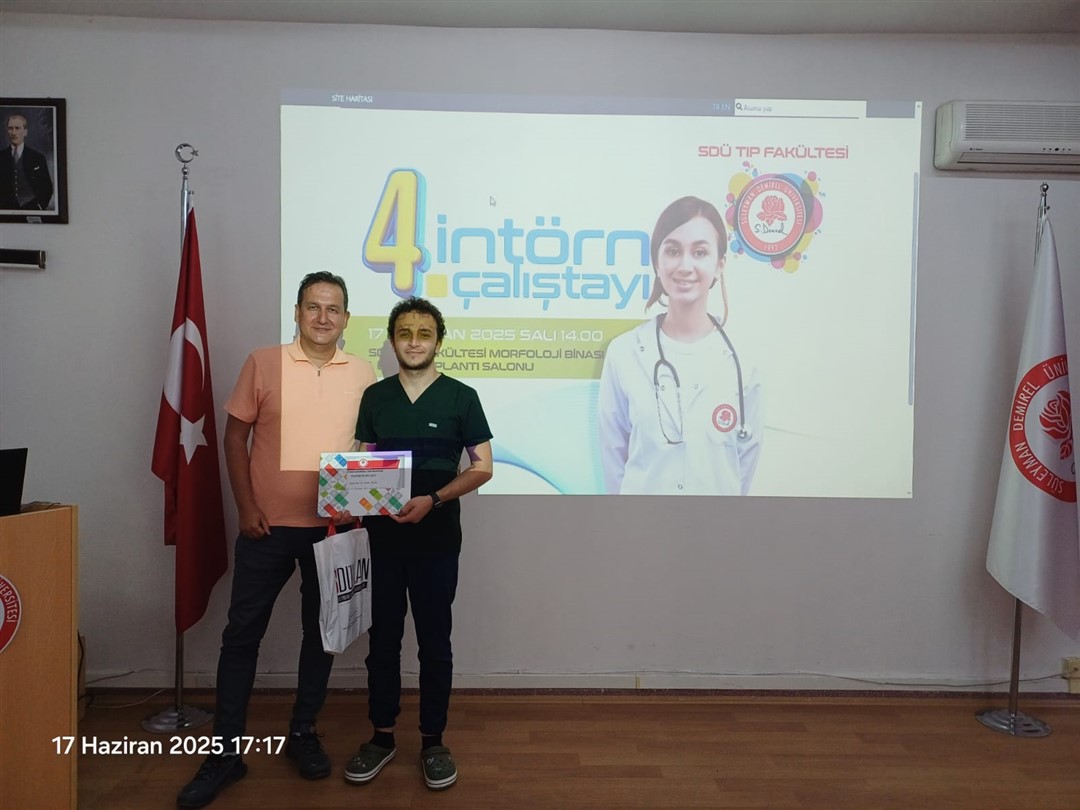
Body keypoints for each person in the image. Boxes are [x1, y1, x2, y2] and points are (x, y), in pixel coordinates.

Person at [177, 272, 376, 808]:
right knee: (242, 635)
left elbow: (368, 449)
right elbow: (234, 438)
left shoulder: (364, 372)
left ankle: (303, 732)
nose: (323, 317)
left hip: (332, 530)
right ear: (296, 312)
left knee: (321, 634)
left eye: (333, 309)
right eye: (313, 306)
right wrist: (245, 506)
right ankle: (225, 753)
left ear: (346, 318)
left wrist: (360, 503)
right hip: (265, 526)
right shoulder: (263, 362)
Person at [344, 297, 492, 792]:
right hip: (382, 541)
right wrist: (344, 496)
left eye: (424, 333)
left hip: (437, 542)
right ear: (392, 341)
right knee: (382, 642)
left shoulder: (461, 397)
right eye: (404, 333)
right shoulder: (376, 397)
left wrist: (434, 498)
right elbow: (361, 461)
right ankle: (381, 737)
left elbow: (483, 467)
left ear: (438, 341)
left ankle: (433, 742)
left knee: (435, 643)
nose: (413, 341)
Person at [598, 196, 763, 495]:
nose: (685, 266)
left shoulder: (743, 359)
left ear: (720, 265)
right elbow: (613, 461)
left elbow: (743, 468)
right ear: (657, 262)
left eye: (700, 252)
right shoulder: (624, 353)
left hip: (717, 523)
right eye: (673, 251)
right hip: (642, 522)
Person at [0, 113, 53, 211]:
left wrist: (40, 207)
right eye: (10, 128)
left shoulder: (38, 158)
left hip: (32, 208)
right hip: (5, 210)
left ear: (25, 132)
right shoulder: (1, 157)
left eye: (17, 128)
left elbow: (47, 187)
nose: (13, 132)